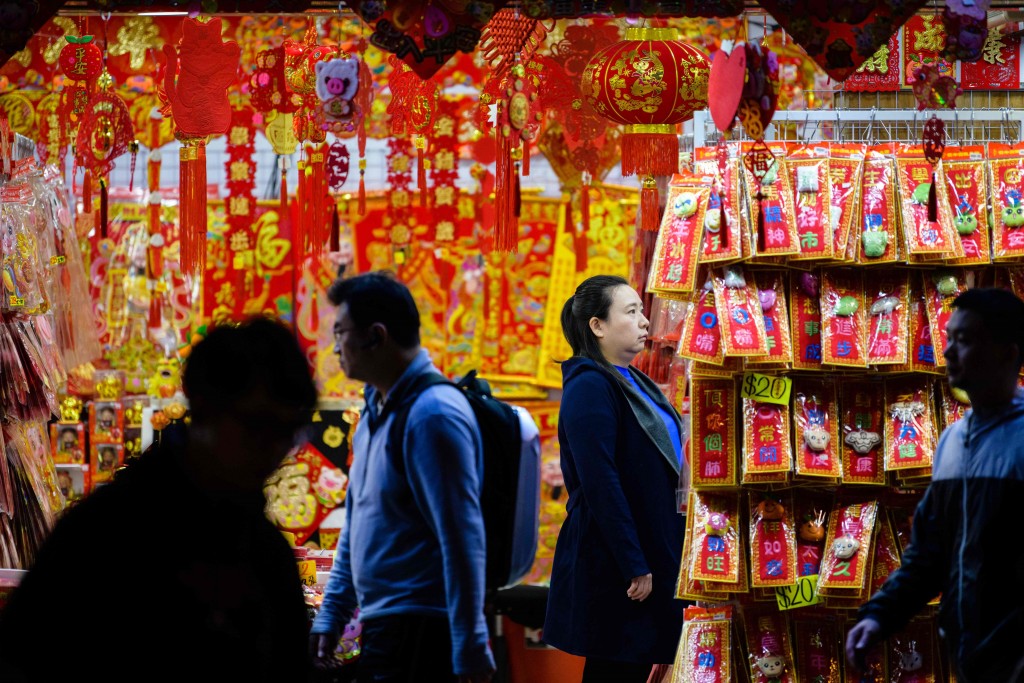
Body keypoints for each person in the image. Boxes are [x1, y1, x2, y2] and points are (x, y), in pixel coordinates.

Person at [0, 317, 317, 683]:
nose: (273, 450)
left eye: (288, 432)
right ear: (204, 408)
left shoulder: (265, 550)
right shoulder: (107, 531)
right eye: (258, 426)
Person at [310, 272, 494, 683]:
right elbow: (358, 525)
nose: (334, 347)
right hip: (386, 628)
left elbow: (463, 538)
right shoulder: (375, 414)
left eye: (341, 333)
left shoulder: (432, 415)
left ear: (376, 336)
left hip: (425, 633)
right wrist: (332, 615)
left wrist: (469, 643)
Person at [846, 288, 1024, 682]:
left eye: (965, 340)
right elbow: (930, 553)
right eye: (949, 338)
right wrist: (878, 617)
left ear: (1009, 354)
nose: (948, 353)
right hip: (972, 659)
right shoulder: (951, 443)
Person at [543, 275, 687, 683]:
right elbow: (600, 481)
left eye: (642, 311)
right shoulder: (590, 384)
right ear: (597, 326)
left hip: (651, 549)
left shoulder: (633, 379)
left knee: (631, 667)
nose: (644, 322)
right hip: (619, 564)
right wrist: (633, 563)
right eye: (631, 311)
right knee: (616, 669)